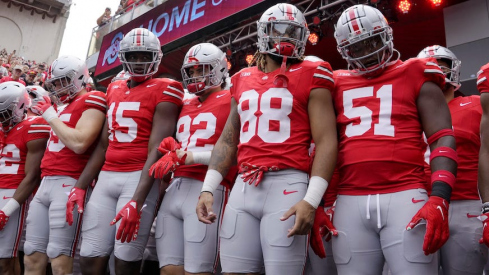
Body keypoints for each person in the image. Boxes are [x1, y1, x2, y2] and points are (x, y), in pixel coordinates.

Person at [196, 3, 337, 273]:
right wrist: (207, 188)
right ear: (263, 33)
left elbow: (327, 140)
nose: (285, 38)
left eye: (292, 32)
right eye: (278, 30)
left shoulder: (313, 72)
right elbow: (227, 141)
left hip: (287, 182)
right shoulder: (242, 78)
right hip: (244, 185)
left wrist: (312, 199)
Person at [330, 5, 457, 274]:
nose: (368, 52)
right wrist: (321, 202)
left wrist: (440, 198)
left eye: (372, 41)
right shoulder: (335, 82)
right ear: (345, 50)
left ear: (386, 36)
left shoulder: (416, 71)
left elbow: (442, 139)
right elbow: (324, 145)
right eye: (358, 47)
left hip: (405, 194)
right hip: (350, 199)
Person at [66, 28, 183, 275]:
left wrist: (137, 200)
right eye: (134, 56)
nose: (139, 62)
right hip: (107, 177)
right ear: (123, 56)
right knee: (89, 258)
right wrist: (80, 185)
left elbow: (157, 148)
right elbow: (103, 144)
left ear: (156, 56)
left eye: (144, 56)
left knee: (125, 260)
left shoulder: (167, 87)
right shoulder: (114, 88)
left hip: (138, 177)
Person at [131, 42, 234, 274]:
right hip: (175, 189)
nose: (196, 75)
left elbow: (234, 152)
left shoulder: (232, 98)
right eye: (192, 71)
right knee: (168, 270)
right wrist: (171, 149)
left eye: (202, 69)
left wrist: (190, 157)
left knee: (197, 271)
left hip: (209, 187)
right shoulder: (185, 103)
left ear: (219, 69)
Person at [23, 55, 107, 275]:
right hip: (46, 183)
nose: (59, 87)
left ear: (80, 77)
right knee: (32, 255)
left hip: (69, 181)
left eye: (64, 80)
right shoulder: (61, 107)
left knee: (59, 257)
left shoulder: (93, 98)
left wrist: (50, 115)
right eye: (56, 82)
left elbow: (80, 143)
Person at [417, 45, 488, 274]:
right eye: (429, 66)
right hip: (420, 205)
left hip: (466, 203)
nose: (436, 70)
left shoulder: (476, 104)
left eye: (442, 65)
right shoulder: (408, 116)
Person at [0, 82, 50, 275]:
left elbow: (32, 176)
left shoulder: (34, 126)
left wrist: (7, 210)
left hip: (12, 193)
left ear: (21, 106)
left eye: (5, 113)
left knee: (5, 259)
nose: (1, 118)